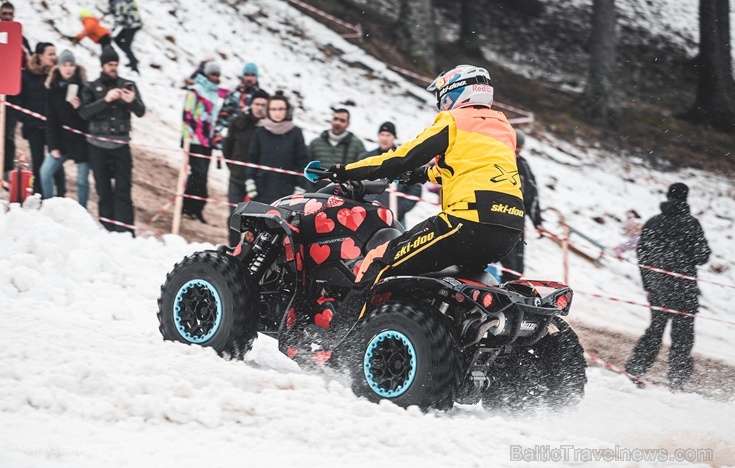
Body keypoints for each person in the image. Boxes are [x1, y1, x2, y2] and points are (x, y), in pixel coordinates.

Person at [305, 64, 525, 352]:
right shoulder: (502, 126)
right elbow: (464, 166)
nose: (440, 102)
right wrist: (420, 174)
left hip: (466, 223)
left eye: (442, 95)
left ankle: (337, 345)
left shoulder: (454, 120)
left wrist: (344, 171)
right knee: (436, 280)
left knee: (377, 261)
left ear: (455, 93)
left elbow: (400, 157)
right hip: (507, 231)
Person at [625, 183, 711, 390]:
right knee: (682, 335)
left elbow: (642, 255)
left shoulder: (653, 222)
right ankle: (677, 380)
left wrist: (649, 284)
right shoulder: (691, 224)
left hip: (658, 286)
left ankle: (634, 371)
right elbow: (702, 256)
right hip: (684, 287)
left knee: (655, 330)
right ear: (686, 198)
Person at [79, 46, 145, 235]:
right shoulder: (91, 87)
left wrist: (131, 101)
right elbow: (84, 113)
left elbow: (140, 111)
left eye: (116, 64)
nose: (113, 67)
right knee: (103, 189)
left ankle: (125, 232)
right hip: (97, 146)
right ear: (102, 65)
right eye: (110, 64)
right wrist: (106, 100)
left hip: (121, 146)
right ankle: (107, 230)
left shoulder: (128, 85)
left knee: (124, 190)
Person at [40, 49, 90, 207]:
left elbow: (89, 118)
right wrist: (53, 146)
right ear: (59, 67)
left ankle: (82, 212)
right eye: (65, 65)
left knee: (82, 181)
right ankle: (50, 206)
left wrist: (80, 107)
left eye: (71, 65)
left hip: (82, 142)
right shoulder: (52, 90)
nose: (68, 68)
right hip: (61, 141)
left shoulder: (84, 89)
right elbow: (51, 121)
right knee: (45, 173)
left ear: (75, 67)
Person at [18, 42, 66, 197]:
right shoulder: (27, 75)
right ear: (40, 56)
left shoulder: (57, 75)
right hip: (33, 125)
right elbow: (18, 99)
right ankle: (39, 195)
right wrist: (25, 117)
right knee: (38, 160)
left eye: (54, 54)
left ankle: (60, 195)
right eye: (50, 54)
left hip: (53, 127)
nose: (54, 57)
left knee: (56, 161)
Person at [222, 89, 269, 246]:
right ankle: (233, 249)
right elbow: (227, 147)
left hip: (259, 182)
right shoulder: (238, 122)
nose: (260, 108)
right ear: (251, 104)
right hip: (237, 178)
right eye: (257, 104)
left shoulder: (269, 129)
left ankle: (250, 253)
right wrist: (233, 166)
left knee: (258, 221)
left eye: (264, 105)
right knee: (234, 216)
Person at [244, 92, 308, 204]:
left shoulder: (296, 133)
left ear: (287, 110)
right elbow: (252, 159)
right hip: (261, 189)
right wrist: (250, 181)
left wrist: (300, 187)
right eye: (273, 109)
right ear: (267, 111)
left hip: (288, 191)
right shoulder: (260, 132)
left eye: (281, 109)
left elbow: (303, 162)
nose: (277, 113)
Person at [499, 128, 543, 282]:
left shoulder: (523, 166)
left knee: (515, 269)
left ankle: (508, 293)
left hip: (516, 221)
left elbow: (532, 194)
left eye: (519, 150)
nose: (516, 153)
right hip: (494, 217)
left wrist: (537, 221)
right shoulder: (493, 158)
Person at [181, 60, 223, 223]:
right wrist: (186, 137)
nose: (215, 77)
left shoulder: (215, 93)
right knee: (197, 173)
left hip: (207, 140)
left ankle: (197, 208)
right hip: (194, 139)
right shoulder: (195, 90)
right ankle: (188, 206)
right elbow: (187, 114)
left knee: (203, 174)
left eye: (217, 75)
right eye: (213, 74)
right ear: (206, 74)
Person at [358, 121, 421, 226]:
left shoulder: (405, 159)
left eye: (388, 135)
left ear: (394, 137)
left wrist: (399, 208)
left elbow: (416, 187)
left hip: (395, 217)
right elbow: (357, 184)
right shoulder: (366, 159)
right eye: (382, 134)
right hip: (368, 214)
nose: (384, 138)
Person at [307, 108, 365, 189]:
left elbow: (362, 170)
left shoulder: (357, 145)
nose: (338, 123)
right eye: (335, 119)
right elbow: (306, 168)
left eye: (342, 120)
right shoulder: (315, 143)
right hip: (317, 193)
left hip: (345, 193)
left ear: (348, 124)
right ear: (331, 120)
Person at [213, 62, 263, 149]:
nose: (249, 78)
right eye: (247, 75)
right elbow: (223, 116)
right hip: (234, 139)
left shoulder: (261, 96)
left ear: (256, 77)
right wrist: (218, 137)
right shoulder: (233, 95)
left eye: (252, 75)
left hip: (254, 140)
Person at [109, 0, 142, 73]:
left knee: (126, 46)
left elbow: (119, 17)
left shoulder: (119, 3)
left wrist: (113, 29)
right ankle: (132, 59)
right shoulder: (125, 1)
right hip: (131, 25)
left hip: (132, 26)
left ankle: (134, 63)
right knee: (118, 40)